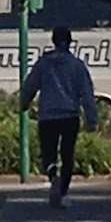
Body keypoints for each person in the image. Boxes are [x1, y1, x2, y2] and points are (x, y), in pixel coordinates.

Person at [21, 26, 98, 208]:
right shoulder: (77, 66)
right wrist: (91, 118)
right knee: (67, 154)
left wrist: (24, 103)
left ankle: (52, 174)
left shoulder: (43, 64)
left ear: (53, 41)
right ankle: (63, 192)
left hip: (47, 116)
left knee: (49, 154)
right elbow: (86, 94)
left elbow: (30, 86)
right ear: (70, 42)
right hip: (70, 116)